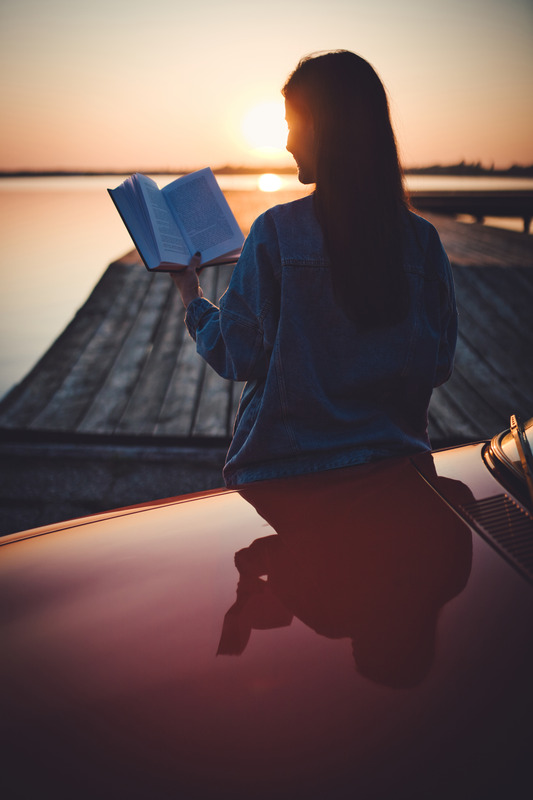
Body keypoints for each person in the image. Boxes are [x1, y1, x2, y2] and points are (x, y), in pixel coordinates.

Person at [171, 50, 457, 488]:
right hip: (401, 476)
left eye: (290, 125)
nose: (286, 143)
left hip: (288, 480)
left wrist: (192, 297)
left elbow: (236, 352)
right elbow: (437, 366)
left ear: (321, 127)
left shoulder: (276, 234)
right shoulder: (425, 244)